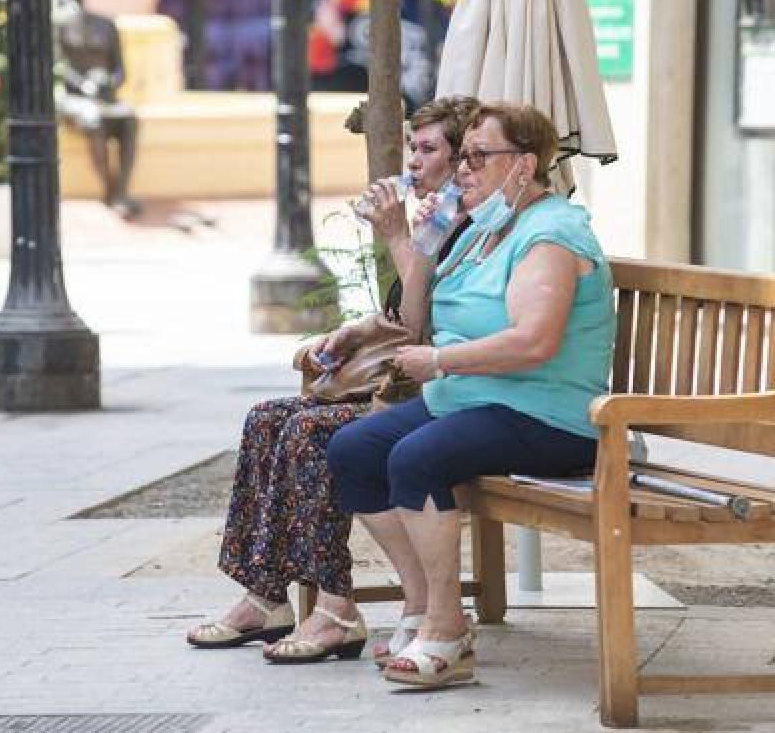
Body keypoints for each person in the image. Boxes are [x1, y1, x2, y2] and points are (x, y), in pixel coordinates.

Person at [327, 102, 617, 687]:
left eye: (480, 156)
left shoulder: (551, 233)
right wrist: (400, 244)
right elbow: (416, 316)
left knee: (417, 457)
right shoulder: (483, 227)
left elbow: (534, 342)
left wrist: (440, 360)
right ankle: (422, 607)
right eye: (464, 156)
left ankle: (446, 628)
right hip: (475, 400)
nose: (464, 168)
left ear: (525, 164)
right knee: (354, 450)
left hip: (547, 413)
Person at [186, 96, 479, 663]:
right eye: (412, 147)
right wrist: (357, 328)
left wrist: (397, 234)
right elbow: (401, 318)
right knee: (267, 418)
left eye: (429, 149)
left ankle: (336, 607)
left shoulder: (462, 221)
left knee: (309, 435)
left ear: (459, 157)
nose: (414, 160)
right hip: (403, 381)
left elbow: (421, 331)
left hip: (426, 390)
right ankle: (265, 595)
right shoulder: (434, 215)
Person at [56, 0, 143, 219]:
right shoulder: (58, 21)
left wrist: (108, 82)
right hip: (74, 97)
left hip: (106, 96)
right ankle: (111, 190)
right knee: (94, 120)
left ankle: (121, 190)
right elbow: (56, 66)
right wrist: (84, 85)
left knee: (129, 119)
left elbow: (120, 70)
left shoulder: (106, 24)